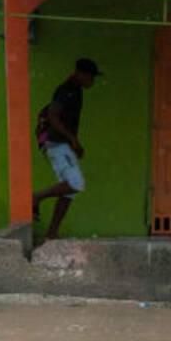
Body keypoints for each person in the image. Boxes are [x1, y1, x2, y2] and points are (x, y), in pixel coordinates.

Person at [32, 58, 100, 239]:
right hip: (56, 143)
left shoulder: (75, 90)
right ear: (81, 74)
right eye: (91, 77)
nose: (92, 82)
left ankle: (52, 233)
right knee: (76, 184)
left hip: (61, 144)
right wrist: (73, 140)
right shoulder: (66, 90)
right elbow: (53, 116)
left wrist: (73, 142)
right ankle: (36, 197)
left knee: (70, 192)